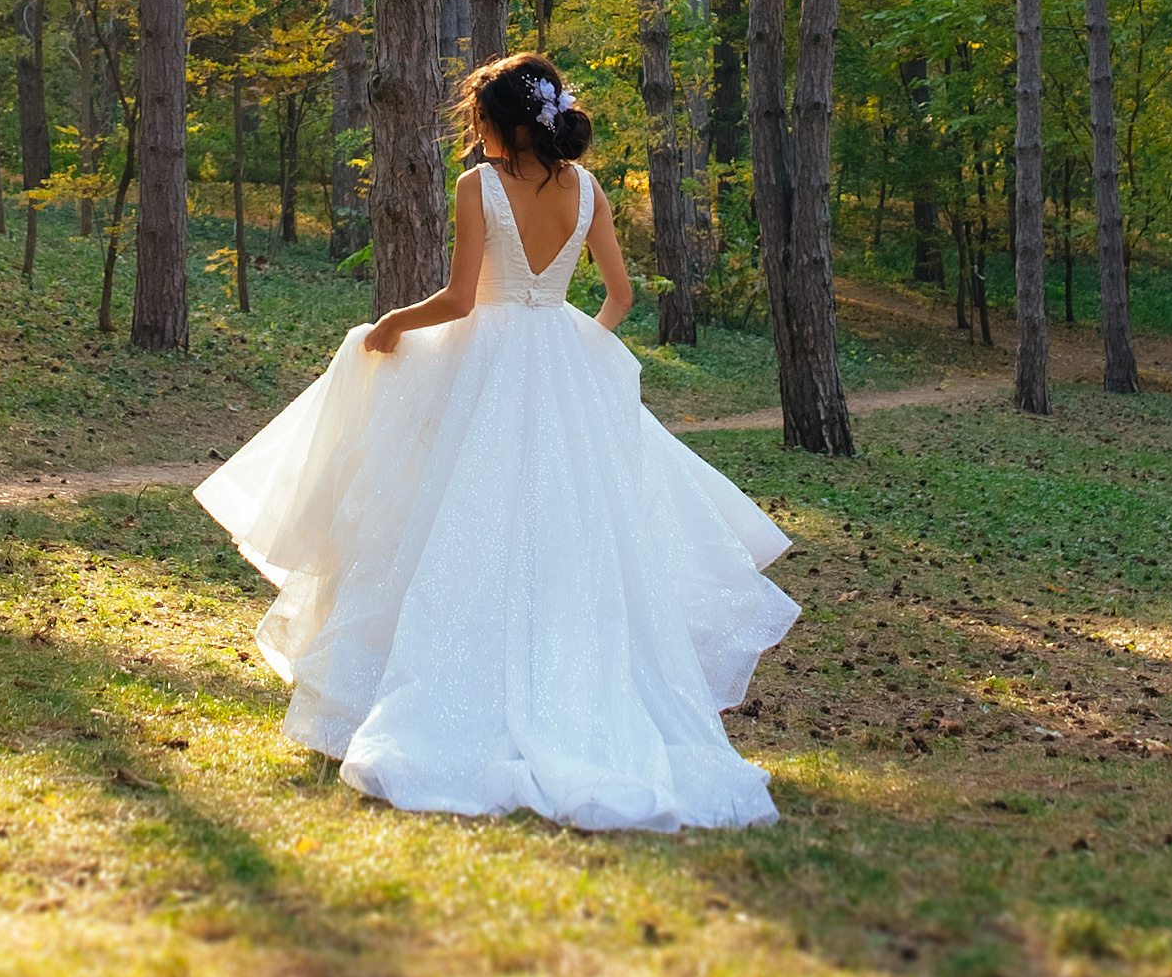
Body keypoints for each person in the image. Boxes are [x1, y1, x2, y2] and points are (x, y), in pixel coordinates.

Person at [194, 49, 798, 831]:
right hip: (561, 365)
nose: (472, 131)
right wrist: (579, 350)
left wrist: (390, 323)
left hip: (483, 366)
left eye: (477, 119)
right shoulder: (587, 189)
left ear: (507, 124)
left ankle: (441, 682)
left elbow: (457, 300)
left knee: (454, 518)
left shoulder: (478, 186)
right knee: (563, 534)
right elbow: (619, 296)